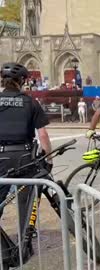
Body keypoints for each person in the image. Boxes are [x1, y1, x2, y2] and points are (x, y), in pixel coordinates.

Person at [0, 62, 52, 236]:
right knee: (26, 200)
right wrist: (48, 159)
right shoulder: (30, 102)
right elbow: (43, 134)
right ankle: (24, 241)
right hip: (24, 155)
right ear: (21, 81)